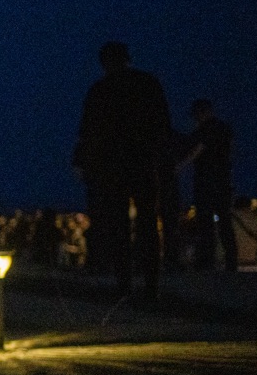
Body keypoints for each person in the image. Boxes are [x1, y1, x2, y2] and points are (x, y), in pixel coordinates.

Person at [73, 42, 173, 298]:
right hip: (142, 161)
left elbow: (88, 131)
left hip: (112, 166)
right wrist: (160, 158)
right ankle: (150, 282)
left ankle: (124, 282)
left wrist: (83, 161)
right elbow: (162, 124)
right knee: (147, 222)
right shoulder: (147, 83)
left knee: (118, 224)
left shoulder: (100, 90)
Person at [176, 99, 236, 271]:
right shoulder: (225, 129)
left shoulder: (204, 131)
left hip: (206, 181)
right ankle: (231, 260)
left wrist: (179, 167)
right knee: (225, 221)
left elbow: (197, 150)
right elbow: (231, 151)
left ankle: (207, 260)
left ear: (200, 113)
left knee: (205, 223)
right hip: (223, 180)